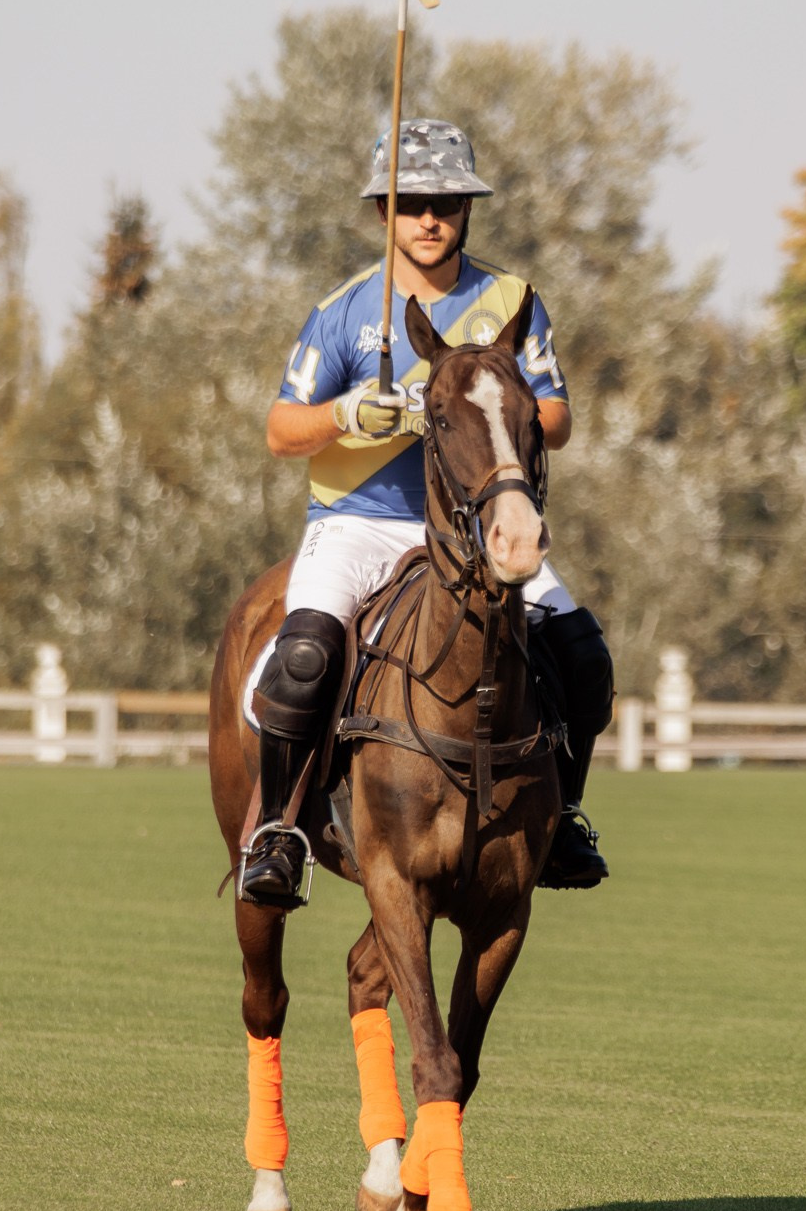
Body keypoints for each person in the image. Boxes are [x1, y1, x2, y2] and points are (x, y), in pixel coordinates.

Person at [239, 118, 614, 909]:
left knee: (584, 656)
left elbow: (558, 416)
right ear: (385, 213)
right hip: (361, 519)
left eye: (446, 201)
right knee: (304, 657)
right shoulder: (343, 311)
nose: (430, 218)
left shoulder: (511, 302)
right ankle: (277, 830)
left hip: (480, 526)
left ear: (467, 210)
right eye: (412, 203)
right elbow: (280, 431)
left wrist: (478, 413)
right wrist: (347, 415)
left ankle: (564, 815)